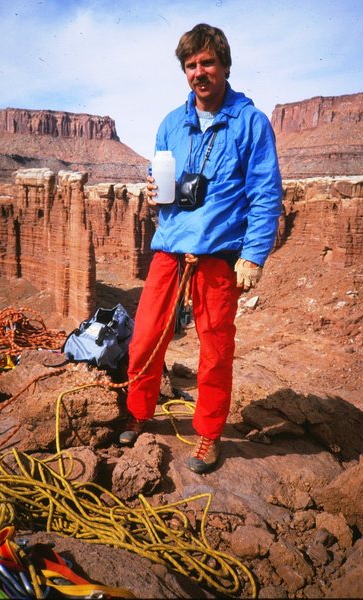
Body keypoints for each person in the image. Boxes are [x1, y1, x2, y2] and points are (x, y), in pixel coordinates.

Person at [119, 23, 282, 474]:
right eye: (191, 65)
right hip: (170, 248)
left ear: (225, 66)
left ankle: (209, 433)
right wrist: (154, 192)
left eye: (207, 63)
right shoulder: (172, 122)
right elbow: (161, 183)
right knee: (147, 335)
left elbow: (267, 193)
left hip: (218, 254)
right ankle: (139, 410)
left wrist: (253, 255)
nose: (199, 73)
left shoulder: (250, 122)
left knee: (214, 348)